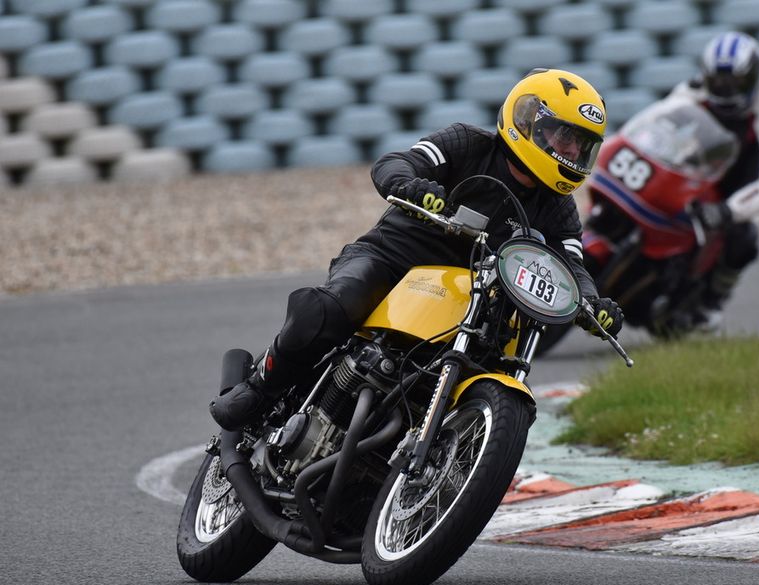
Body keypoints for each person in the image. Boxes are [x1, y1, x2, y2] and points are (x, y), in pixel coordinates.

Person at [210, 68, 625, 430]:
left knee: (500, 362)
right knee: (331, 309)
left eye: (582, 145)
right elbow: (395, 162)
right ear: (528, 119)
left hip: (475, 302)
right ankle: (260, 385)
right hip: (393, 263)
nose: (572, 151)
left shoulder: (559, 209)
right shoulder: (468, 144)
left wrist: (590, 301)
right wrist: (409, 184)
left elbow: (572, 266)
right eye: (565, 136)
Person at [667, 31, 759, 331]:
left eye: (734, 84)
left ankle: (713, 298)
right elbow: (661, 119)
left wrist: (729, 211)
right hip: (702, 166)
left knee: (744, 237)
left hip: (745, 181)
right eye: (719, 83)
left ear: (752, 79)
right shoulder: (693, 90)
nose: (725, 91)